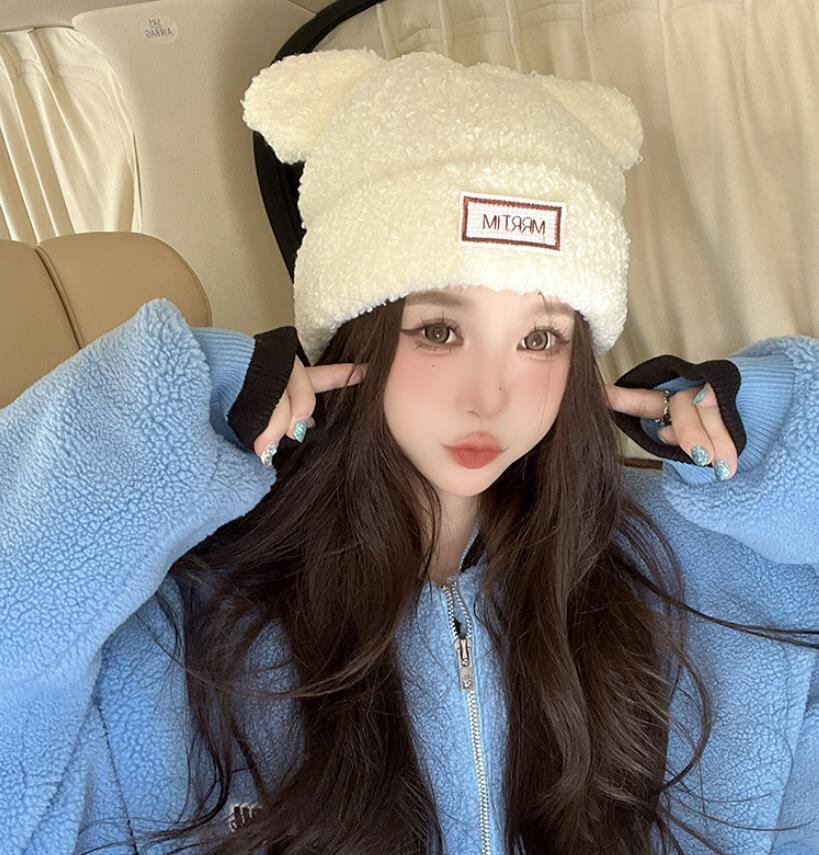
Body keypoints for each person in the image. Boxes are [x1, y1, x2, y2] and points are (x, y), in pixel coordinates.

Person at [1, 49, 816, 855]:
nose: (488, 395)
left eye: (538, 338)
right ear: (357, 331)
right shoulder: (182, 614)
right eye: (439, 330)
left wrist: (778, 441)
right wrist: (172, 410)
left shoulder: (702, 565)